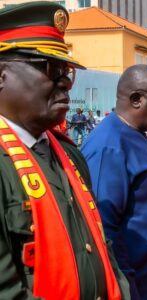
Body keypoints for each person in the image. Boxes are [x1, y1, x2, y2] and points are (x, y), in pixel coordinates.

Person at [0, 2, 130, 299]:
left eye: (67, 72)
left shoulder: (69, 155)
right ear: (1, 75)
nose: (65, 84)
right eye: (50, 69)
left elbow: (99, 246)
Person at [82, 64, 147, 300]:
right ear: (137, 99)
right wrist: (127, 287)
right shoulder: (109, 146)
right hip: (141, 284)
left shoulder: (136, 134)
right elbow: (105, 228)